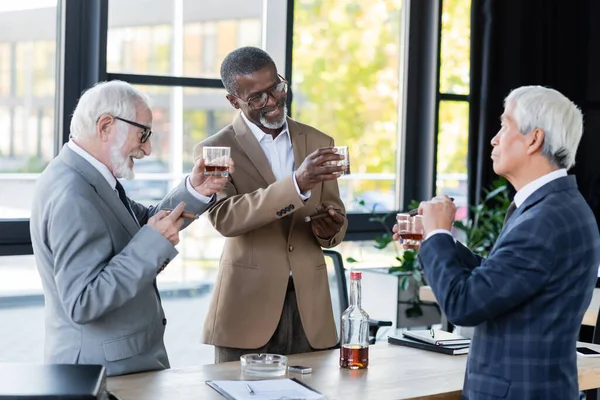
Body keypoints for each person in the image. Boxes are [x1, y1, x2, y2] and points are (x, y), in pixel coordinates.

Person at [395, 86, 600, 398]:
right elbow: (498, 279)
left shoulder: (544, 220)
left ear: (534, 139)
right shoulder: (554, 207)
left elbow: (464, 304)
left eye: (505, 125)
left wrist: (438, 235)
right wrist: (435, 240)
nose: (494, 138)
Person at [29, 81, 230, 376]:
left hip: (115, 366)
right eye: (143, 133)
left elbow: (144, 221)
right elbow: (83, 302)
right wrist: (152, 243)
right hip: (103, 374)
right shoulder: (73, 194)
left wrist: (196, 190)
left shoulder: (87, 177)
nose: (147, 149)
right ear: (106, 126)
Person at [197, 47, 348, 363]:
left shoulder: (320, 141)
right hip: (246, 311)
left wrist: (332, 227)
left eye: (277, 87)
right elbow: (225, 218)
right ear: (234, 101)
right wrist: (297, 185)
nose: (273, 100)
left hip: (312, 311)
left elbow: (334, 214)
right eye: (257, 97)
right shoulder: (215, 149)